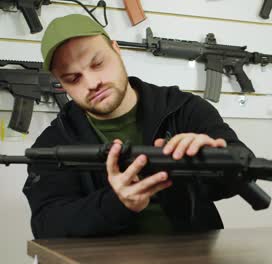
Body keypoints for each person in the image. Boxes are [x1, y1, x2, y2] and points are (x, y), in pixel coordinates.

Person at [22, 14, 251, 238]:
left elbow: (243, 168)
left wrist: (216, 158)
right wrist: (116, 204)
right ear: (60, 84)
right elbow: (46, 224)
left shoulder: (183, 109)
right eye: (73, 79)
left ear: (116, 49)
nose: (92, 83)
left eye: (98, 63)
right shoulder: (54, 142)